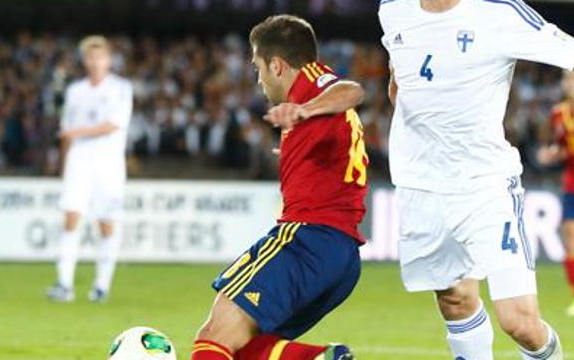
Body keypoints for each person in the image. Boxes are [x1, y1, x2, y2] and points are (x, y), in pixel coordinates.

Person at [268, 0, 574, 359]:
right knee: (455, 299)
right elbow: (400, 83)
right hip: (421, 187)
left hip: (486, 183)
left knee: (519, 321)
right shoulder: (393, 10)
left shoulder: (501, 12)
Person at [191, 15, 368, 360]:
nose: (258, 79)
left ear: (276, 64)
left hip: (307, 239)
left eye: (258, 68)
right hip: (338, 254)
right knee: (246, 348)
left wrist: (304, 110)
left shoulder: (315, 85)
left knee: (213, 337)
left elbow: (352, 90)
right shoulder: (312, 110)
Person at [47, 36, 133, 303]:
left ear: (108, 60)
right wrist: (63, 162)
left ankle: (101, 286)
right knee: (71, 217)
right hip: (78, 162)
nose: (96, 62)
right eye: (91, 57)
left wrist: (77, 132)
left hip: (108, 164)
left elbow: (114, 124)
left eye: (101, 57)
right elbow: (66, 133)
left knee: (106, 224)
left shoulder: (120, 88)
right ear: (85, 61)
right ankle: (64, 283)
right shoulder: (75, 91)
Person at [538, 69, 574, 316]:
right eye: (566, 79)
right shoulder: (558, 114)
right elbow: (561, 147)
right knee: (570, 237)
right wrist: (550, 154)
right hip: (571, 184)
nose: (569, 83)